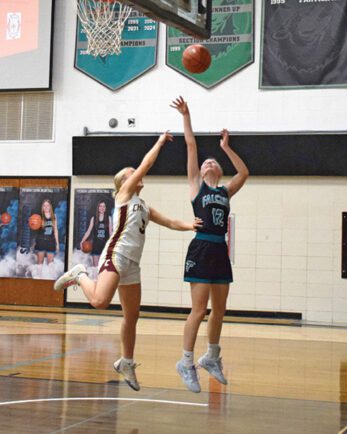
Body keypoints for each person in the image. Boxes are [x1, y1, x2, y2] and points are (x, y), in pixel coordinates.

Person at [54, 132, 202, 391]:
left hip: (133, 264)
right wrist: (158, 142)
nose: (136, 173)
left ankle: (127, 362)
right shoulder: (123, 196)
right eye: (130, 172)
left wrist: (190, 225)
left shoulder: (143, 206)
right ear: (124, 181)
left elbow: (169, 222)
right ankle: (80, 274)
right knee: (100, 302)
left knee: (132, 316)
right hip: (116, 255)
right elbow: (146, 164)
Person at [171, 96, 249, 393]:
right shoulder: (197, 187)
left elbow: (244, 173)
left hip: (220, 249)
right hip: (202, 248)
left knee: (220, 309)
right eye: (206, 162)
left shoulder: (227, 191)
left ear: (218, 170)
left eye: (212, 161)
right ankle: (186, 362)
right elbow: (191, 145)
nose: (208, 162)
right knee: (199, 309)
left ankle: (211, 357)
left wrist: (226, 148)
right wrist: (186, 115)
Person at [80, 200, 112, 266]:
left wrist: (113, 244)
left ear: (105, 208)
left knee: (103, 268)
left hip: (105, 246)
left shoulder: (109, 218)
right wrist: (82, 241)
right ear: (98, 207)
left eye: (104, 206)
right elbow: (88, 231)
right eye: (100, 206)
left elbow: (110, 233)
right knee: (95, 268)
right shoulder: (93, 218)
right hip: (96, 246)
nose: (102, 208)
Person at [35, 199, 59, 266]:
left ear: (50, 207)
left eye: (47, 205)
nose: (46, 207)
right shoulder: (38, 216)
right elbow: (33, 226)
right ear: (42, 207)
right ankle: (39, 276)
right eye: (44, 205)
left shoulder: (54, 216)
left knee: (50, 264)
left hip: (51, 241)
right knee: (40, 264)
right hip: (41, 241)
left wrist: (57, 244)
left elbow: (55, 230)